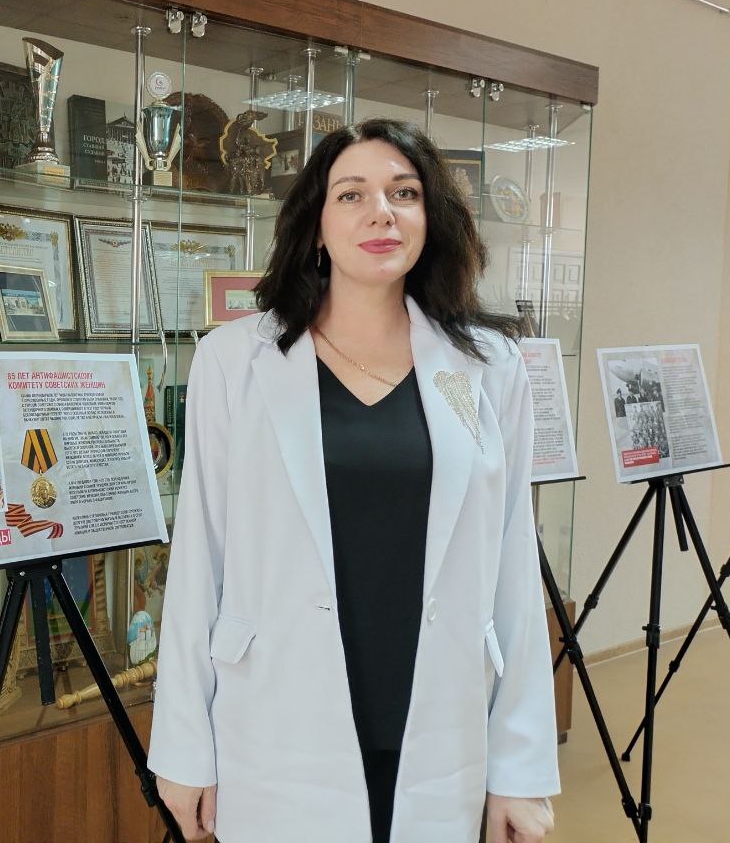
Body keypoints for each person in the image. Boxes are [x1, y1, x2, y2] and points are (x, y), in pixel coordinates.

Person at [148, 119, 558, 843]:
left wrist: (520, 767)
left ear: (431, 218)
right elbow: (199, 561)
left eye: (405, 193)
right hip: (277, 717)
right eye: (351, 194)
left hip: (439, 713)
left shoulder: (490, 367)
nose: (381, 213)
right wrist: (183, 746)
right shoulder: (234, 361)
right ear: (316, 225)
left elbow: (514, 569)